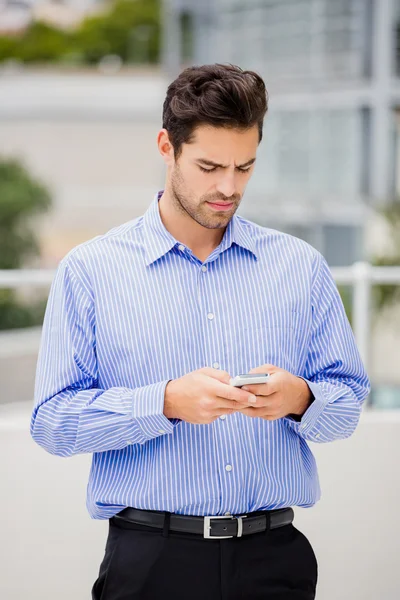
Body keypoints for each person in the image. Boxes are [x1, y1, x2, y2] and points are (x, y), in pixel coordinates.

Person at [31, 63, 370, 600]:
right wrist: (163, 403)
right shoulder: (91, 270)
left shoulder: (300, 267)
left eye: (245, 167)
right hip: (151, 563)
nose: (228, 187)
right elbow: (52, 422)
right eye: (210, 166)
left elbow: (348, 404)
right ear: (167, 146)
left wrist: (302, 399)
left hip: (274, 559)